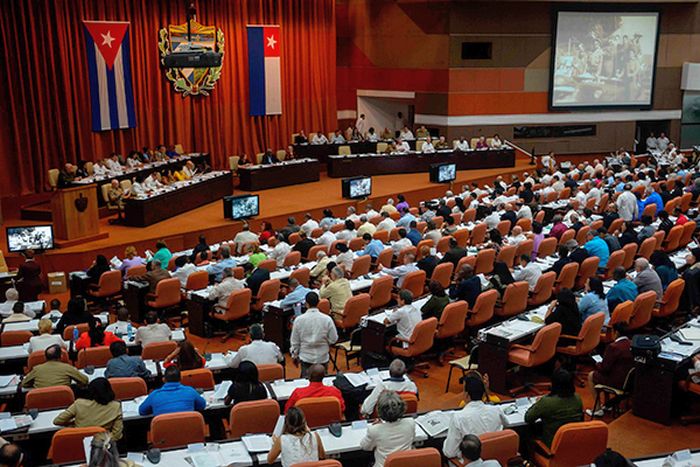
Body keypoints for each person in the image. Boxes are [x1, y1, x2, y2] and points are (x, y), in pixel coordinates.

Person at [443, 374, 506, 459]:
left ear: (466, 395)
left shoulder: (458, 417)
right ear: (484, 392)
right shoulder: (497, 410)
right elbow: (506, 427)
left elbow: (449, 453)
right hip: (494, 458)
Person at [524, 368, 583, 447]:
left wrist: (538, 403)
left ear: (554, 384)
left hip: (551, 445)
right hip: (573, 442)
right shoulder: (577, 398)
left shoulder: (546, 402)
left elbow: (528, 418)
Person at [586, 322, 634, 417]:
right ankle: (607, 404)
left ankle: (597, 409)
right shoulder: (632, 344)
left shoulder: (613, 347)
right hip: (628, 381)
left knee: (591, 375)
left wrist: (597, 363)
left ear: (616, 332)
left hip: (616, 382)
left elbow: (604, 369)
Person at [54, 378, 123, 440]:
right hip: (101, 445)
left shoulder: (79, 403)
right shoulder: (116, 406)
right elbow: (117, 435)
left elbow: (57, 421)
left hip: (77, 441)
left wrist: (74, 424)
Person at [360, 391, 416, 467]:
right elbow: (412, 439)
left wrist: (376, 427)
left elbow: (365, 447)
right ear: (402, 407)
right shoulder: (410, 422)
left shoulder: (374, 430)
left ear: (379, 410)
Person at [290, 293, 338, 377]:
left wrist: (294, 356)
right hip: (322, 358)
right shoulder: (327, 319)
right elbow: (333, 339)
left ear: (306, 304)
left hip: (306, 358)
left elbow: (295, 342)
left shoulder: (299, 320)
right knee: (322, 384)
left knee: (307, 384)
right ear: (318, 302)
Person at [139, 366, 206, 416]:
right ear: (181, 378)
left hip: (164, 433)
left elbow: (142, 411)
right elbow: (202, 405)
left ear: (164, 380)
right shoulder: (190, 391)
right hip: (190, 432)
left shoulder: (154, 395)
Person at [22, 344, 88, 389]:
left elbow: (24, 384)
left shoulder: (37, 369)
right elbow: (84, 380)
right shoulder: (67, 367)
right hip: (64, 402)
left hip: (41, 403)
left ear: (45, 357)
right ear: (61, 356)